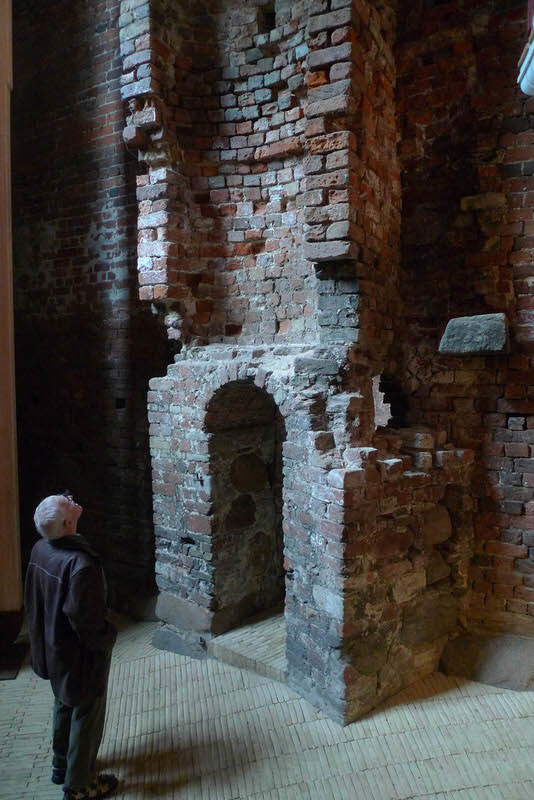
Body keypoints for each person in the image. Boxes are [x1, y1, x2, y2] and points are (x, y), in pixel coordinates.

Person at [25, 492, 118, 800]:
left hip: (53, 646)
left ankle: (61, 763)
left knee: (64, 700)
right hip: (79, 653)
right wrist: (107, 637)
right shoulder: (81, 565)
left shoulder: (41, 548)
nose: (71, 499)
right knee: (87, 712)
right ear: (67, 523)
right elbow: (86, 620)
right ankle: (79, 786)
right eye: (67, 503)